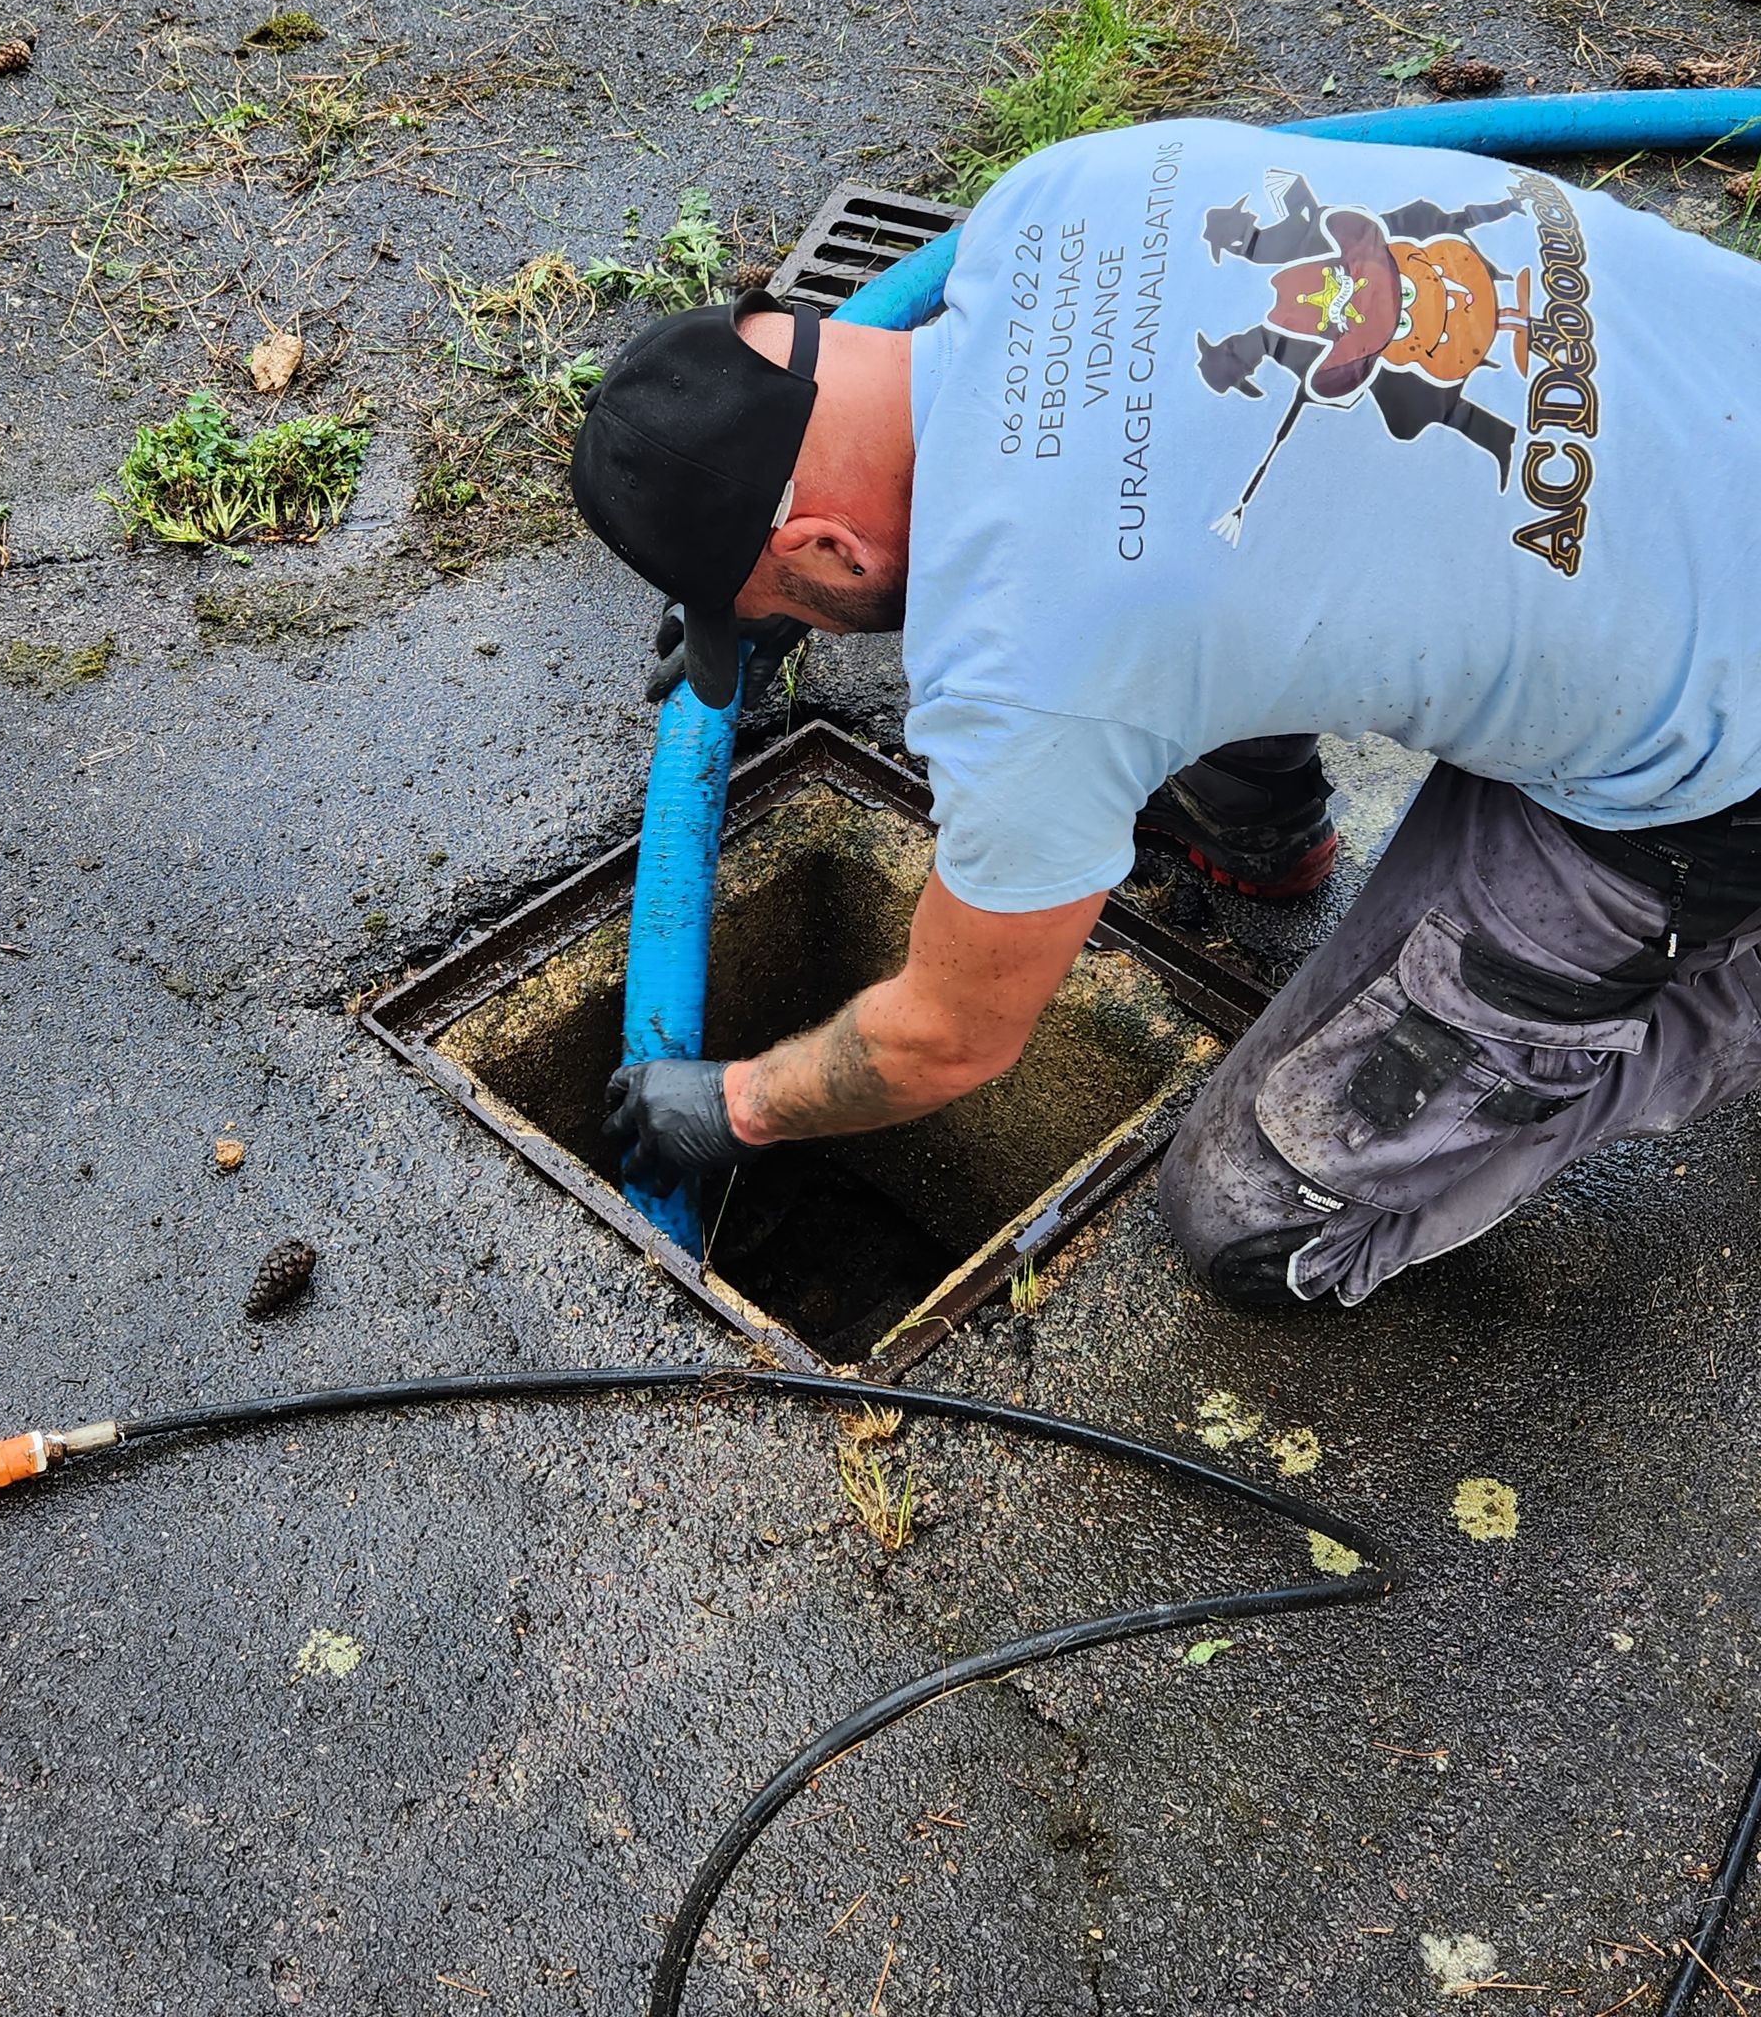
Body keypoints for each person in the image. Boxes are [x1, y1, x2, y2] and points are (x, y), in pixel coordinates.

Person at [569, 120, 1761, 1310]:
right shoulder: (1055, 193)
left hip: (1720, 771)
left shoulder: (1024, 663)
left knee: (1251, 1227)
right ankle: (1265, 835)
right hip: (1711, 431)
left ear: (827, 544)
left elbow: (946, 1037)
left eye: (788, 600)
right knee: (1208, 574)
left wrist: (741, 1105)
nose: (801, 625)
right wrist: (792, 593)